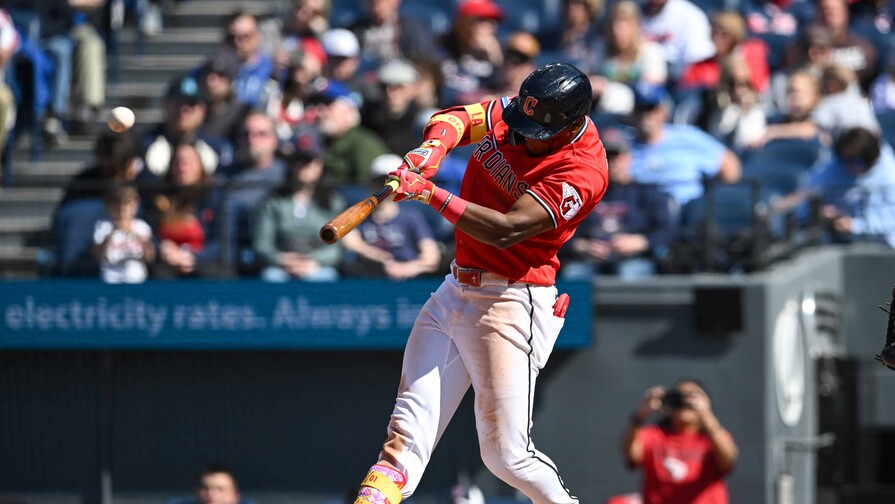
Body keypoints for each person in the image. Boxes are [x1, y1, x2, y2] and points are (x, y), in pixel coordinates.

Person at [350, 62, 607, 504]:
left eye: (535, 131)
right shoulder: (529, 112)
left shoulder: (582, 170)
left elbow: (505, 229)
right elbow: (454, 119)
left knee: (507, 457)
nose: (521, 134)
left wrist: (429, 193)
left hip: (512, 298)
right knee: (404, 435)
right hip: (455, 288)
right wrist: (431, 150)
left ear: (570, 124)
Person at [561, 127, 674, 280]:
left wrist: (639, 242)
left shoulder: (648, 192)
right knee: (574, 274)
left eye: (616, 156)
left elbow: (668, 231)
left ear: (629, 157)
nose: (612, 162)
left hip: (634, 259)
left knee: (630, 273)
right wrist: (583, 246)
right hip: (588, 260)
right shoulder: (583, 193)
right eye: (607, 156)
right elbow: (560, 231)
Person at [621, 380, 738, 504]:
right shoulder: (654, 435)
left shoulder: (713, 437)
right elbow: (631, 453)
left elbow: (728, 459)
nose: (685, 403)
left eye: (692, 397)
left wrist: (707, 416)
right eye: (680, 398)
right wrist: (640, 416)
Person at [628, 82, 741, 208]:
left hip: (686, 212)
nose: (646, 116)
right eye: (640, 109)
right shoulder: (623, 146)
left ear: (664, 111)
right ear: (632, 113)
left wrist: (718, 202)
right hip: (642, 216)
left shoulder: (687, 137)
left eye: (652, 109)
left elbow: (729, 165)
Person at [253, 130, 345, 282]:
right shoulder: (273, 202)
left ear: (320, 165)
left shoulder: (333, 202)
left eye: (309, 161)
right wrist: (282, 259)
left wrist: (311, 261)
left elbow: (335, 249)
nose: (304, 167)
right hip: (280, 267)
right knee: (270, 278)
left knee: (326, 278)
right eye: (299, 161)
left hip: (318, 266)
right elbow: (262, 244)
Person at [340, 154, 442, 280]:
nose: (384, 188)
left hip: (407, 281)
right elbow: (349, 241)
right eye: (379, 181)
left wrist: (406, 268)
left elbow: (431, 257)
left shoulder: (411, 217)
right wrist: (380, 256)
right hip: (369, 279)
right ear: (370, 184)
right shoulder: (360, 215)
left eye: (390, 182)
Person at [92, 184, 155, 284]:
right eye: (118, 208)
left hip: (136, 278)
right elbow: (96, 255)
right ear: (110, 207)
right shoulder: (103, 227)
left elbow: (150, 258)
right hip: (110, 278)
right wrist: (110, 234)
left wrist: (141, 240)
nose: (122, 213)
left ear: (135, 206)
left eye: (126, 207)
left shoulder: (142, 227)